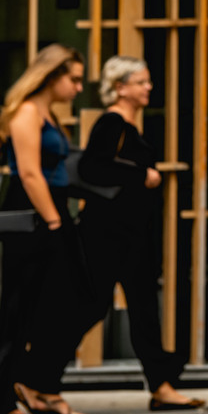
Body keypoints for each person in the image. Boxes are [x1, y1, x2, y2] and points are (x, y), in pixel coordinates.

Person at [16, 57, 204, 411]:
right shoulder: (111, 122)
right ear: (121, 87)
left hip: (131, 233)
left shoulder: (128, 123)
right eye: (141, 82)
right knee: (88, 308)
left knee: (143, 309)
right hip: (107, 234)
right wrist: (142, 174)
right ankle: (35, 378)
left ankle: (160, 386)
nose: (149, 87)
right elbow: (93, 167)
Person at [0, 45, 85, 414]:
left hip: (50, 213)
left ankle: (29, 384)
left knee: (50, 304)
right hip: (32, 216)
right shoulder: (26, 112)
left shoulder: (48, 114)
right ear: (52, 76)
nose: (79, 88)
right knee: (17, 308)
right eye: (74, 79)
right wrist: (53, 220)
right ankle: (6, 397)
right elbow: (30, 172)